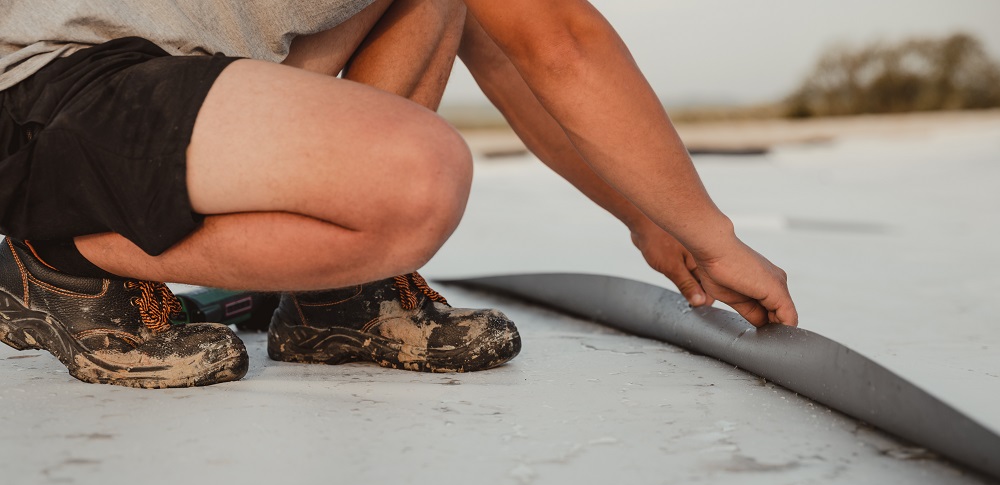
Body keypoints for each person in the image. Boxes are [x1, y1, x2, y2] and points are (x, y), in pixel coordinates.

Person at [0, 0, 797, 389]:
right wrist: (716, 236)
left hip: (177, 78)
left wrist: (652, 218)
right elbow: (561, 44)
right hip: (49, 87)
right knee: (417, 180)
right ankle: (60, 259)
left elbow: (520, 60)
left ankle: (337, 304)